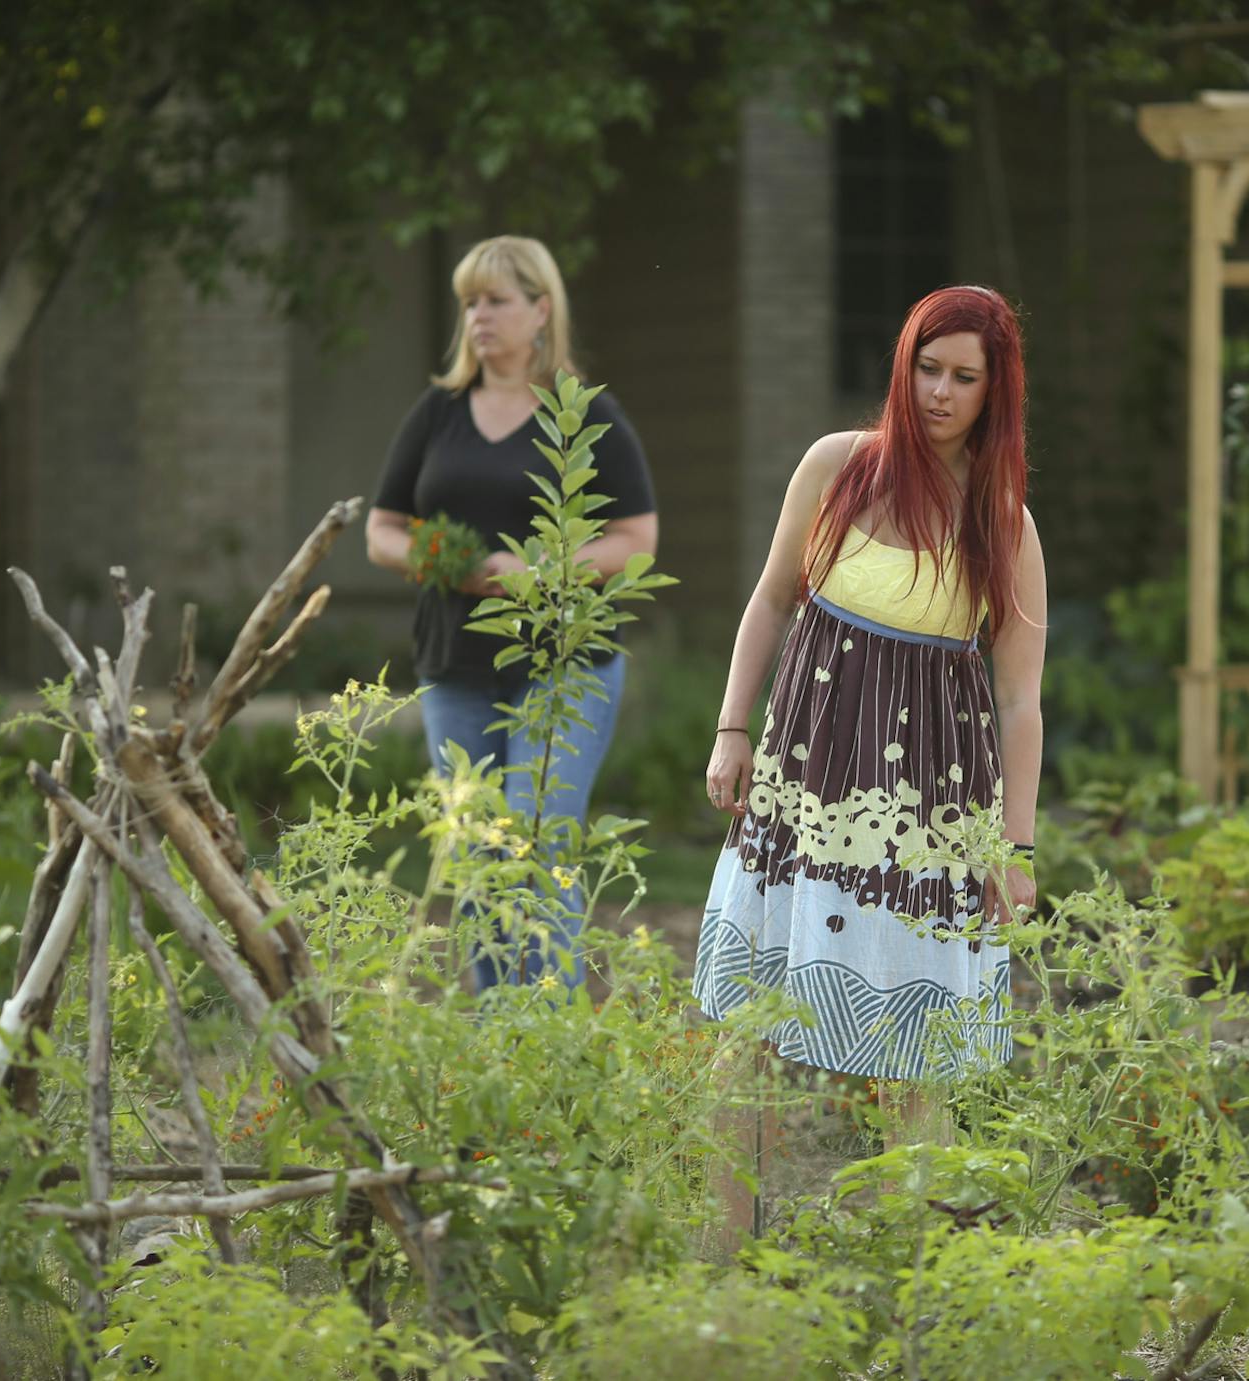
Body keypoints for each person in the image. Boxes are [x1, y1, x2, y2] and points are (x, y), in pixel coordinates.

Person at [694, 285, 1046, 1227]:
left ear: (995, 390)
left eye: (964, 377)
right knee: (752, 1022)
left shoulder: (1003, 521)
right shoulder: (837, 467)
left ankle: (910, 1266)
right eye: (928, 368)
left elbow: (1020, 698)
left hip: (926, 814)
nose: (940, 392)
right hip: (802, 789)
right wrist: (732, 728)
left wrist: (1015, 849)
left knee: (915, 1046)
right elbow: (771, 599)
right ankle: (725, 1251)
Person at [366, 234, 658, 991]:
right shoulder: (437, 413)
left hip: (566, 663)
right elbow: (381, 531)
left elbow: (636, 541)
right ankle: (497, 1030)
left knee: (538, 838)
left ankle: (546, 1029)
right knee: (475, 850)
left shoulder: (584, 414)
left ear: (541, 309)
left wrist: (541, 571)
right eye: (469, 303)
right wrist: (447, 561)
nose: (478, 318)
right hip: (456, 664)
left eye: (495, 301)